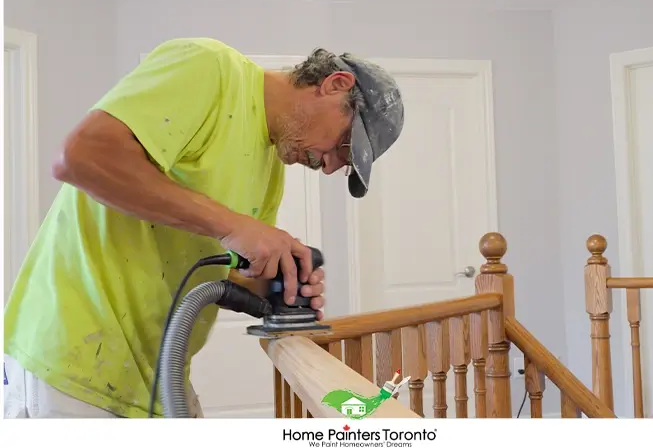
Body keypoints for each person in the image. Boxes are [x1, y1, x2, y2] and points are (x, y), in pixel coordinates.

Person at [3, 38, 405, 418]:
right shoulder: (208, 67)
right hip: (72, 362)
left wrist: (278, 286)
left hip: (155, 372)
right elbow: (81, 156)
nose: (331, 166)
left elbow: (220, 269)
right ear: (335, 85)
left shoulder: (269, 164)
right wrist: (235, 226)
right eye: (344, 146)